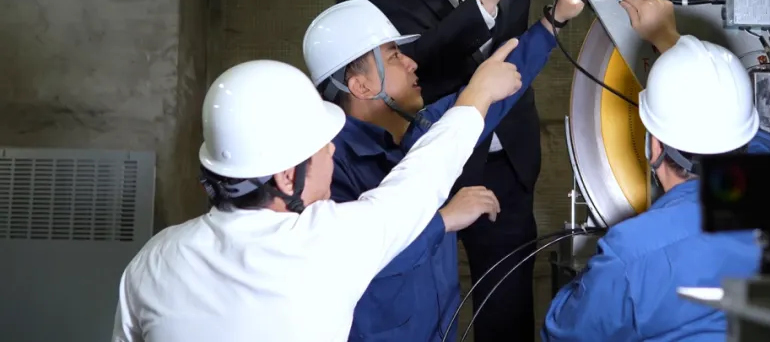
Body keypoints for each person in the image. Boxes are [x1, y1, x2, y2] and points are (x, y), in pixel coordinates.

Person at [111, 50, 523, 342]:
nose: (331, 150)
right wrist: (479, 94)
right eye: (323, 145)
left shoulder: (154, 259)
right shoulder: (324, 245)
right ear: (287, 177)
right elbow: (422, 177)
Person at [355, 0, 603, 340]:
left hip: (504, 163)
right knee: (423, 298)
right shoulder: (377, 6)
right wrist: (484, 2)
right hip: (423, 172)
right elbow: (422, 66)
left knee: (505, 299)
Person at [302, 0, 585, 342]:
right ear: (361, 86)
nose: (411, 63)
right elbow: (352, 260)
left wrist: (553, 21)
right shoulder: (326, 169)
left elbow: (483, 101)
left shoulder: (413, 134)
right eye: (394, 57)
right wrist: (443, 221)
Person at [542, 0, 770, 342]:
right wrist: (669, 39)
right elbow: (751, 139)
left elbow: (561, 332)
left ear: (653, 146)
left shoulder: (630, 254)